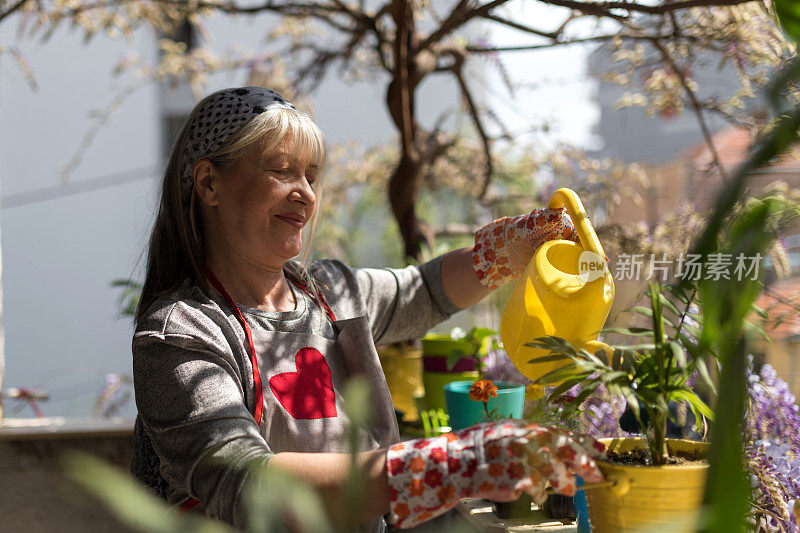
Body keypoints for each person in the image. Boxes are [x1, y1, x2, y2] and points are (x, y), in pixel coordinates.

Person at [131, 87, 605, 531]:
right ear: (209, 184)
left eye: (311, 177)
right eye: (282, 171)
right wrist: (445, 466)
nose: (306, 194)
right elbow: (245, 481)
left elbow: (422, 291)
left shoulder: (332, 294)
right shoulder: (181, 333)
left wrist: (504, 251)